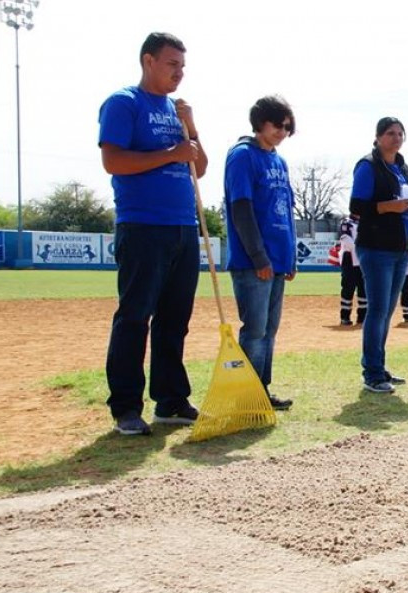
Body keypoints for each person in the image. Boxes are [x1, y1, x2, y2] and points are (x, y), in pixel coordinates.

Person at [98, 32, 207, 436]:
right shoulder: (124, 103)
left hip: (183, 225)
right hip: (143, 225)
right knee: (134, 317)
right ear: (148, 61)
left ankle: (171, 400)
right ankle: (126, 407)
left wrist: (192, 129)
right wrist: (170, 155)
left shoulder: (177, 111)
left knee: (175, 319)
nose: (179, 72)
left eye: (182, 66)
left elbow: (200, 166)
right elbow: (113, 160)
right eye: (171, 64)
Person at [223, 95, 297, 412]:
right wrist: (259, 257)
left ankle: (261, 391)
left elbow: (288, 212)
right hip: (254, 262)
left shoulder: (279, 161)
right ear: (260, 122)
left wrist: (289, 257)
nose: (282, 130)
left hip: (279, 261)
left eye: (287, 126)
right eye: (277, 124)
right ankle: (247, 397)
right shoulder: (242, 156)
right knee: (254, 331)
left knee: (269, 331)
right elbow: (241, 208)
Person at [350, 117, 408, 393]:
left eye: (400, 133)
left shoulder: (401, 166)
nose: (396, 138)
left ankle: (379, 366)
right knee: (377, 310)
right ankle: (372, 373)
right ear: (377, 137)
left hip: (400, 247)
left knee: (386, 311)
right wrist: (388, 207)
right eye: (390, 133)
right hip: (376, 246)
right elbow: (357, 206)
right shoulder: (368, 165)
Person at [337, 215, 367, 326]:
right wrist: (362, 248)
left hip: (363, 261)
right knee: (347, 290)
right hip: (350, 260)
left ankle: (362, 317)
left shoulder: (366, 221)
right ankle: (345, 317)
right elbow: (346, 239)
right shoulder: (346, 222)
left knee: (364, 291)